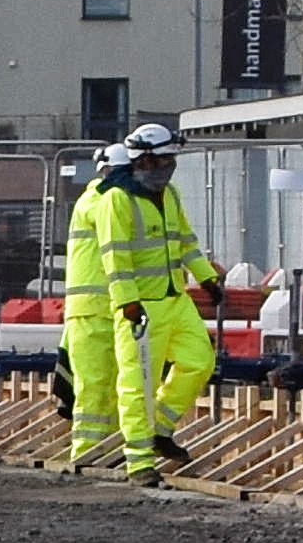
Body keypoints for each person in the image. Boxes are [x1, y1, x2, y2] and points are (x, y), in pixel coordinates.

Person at [58, 121, 215, 477]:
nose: (168, 168)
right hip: (137, 305)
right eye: (163, 161)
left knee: (199, 361)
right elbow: (116, 256)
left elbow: (184, 240)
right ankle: (137, 460)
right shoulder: (112, 198)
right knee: (134, 382)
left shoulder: (168, 195)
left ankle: (157, 428)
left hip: (172, 297)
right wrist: (128, 302)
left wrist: (208, 278)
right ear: (143, 160)